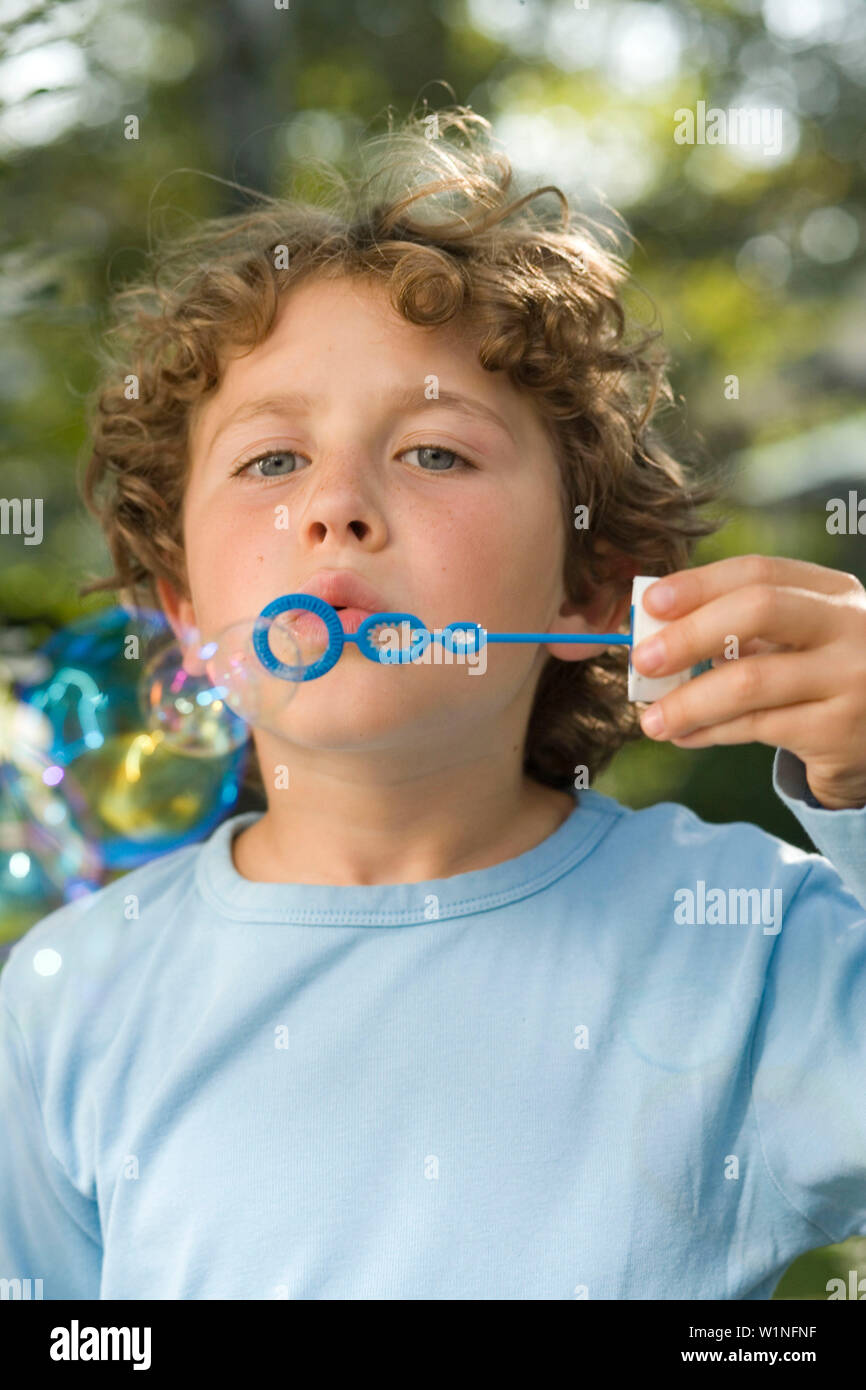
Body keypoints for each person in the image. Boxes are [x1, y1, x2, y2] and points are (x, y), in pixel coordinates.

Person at [1, 107, 864, 1300]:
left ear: (588, 590)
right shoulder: (69, 996)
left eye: (434, 453)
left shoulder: (752, 945)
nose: (333, 507)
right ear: (187, 615)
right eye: (271, 461)